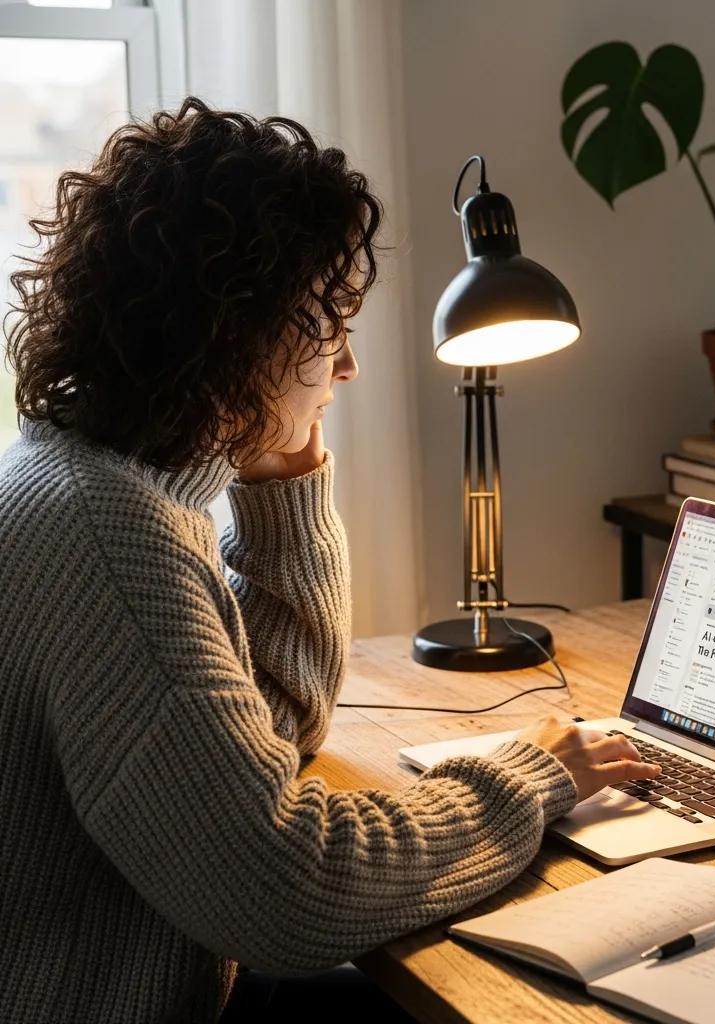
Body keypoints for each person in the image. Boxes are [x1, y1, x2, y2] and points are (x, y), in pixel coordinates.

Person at [0, 97, 660, 1023]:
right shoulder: (112, 538)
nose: (346, 367)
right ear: (236, 332)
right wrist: (531, 776)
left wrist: (282, 475)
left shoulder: (79, 473)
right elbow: (286, 891)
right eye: (328, 326)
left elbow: (266, 732)